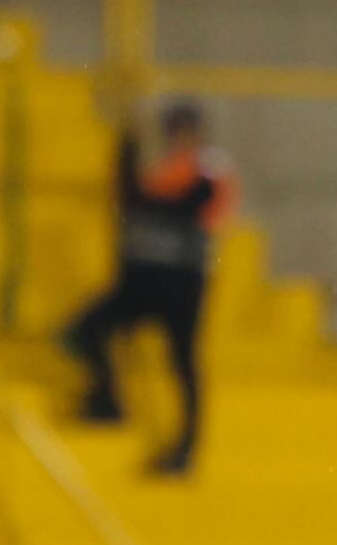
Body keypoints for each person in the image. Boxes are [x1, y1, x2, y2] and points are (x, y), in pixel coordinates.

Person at [64, 99, 235, 477]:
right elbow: (132, 200)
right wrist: (127, 147)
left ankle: (186, 446)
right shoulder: (164, 171)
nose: (177, 139)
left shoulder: (207, 171)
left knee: (181, 360)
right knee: (85, 329)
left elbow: (171, 205)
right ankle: (108, 400)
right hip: (141, 282)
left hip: (181, 284)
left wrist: (138, 191)